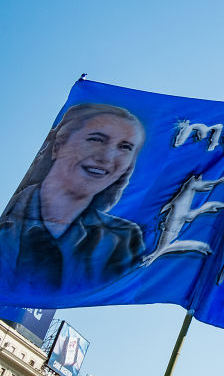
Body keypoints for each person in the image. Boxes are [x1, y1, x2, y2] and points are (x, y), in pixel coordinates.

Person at [0, 102, 146, 291]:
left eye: (125, 147)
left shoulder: (123, 241)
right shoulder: (6, 228)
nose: (107, 157)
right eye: (96, 139)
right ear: (58, 146)